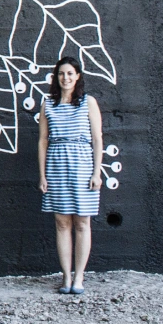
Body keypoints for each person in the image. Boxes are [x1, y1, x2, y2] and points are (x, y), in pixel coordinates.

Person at [38, 55, 103, 295]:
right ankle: (66, 277)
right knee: (62, 222)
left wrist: (97, 173)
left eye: (70, 73)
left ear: (77, 77)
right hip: (57, 165)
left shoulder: (88, 102)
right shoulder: (48, 105)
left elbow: (97, 138)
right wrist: (42, 175)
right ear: (56, 77)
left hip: (83, 166)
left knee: (82, 222)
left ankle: (79, 278)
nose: (65, 78)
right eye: (61, 74)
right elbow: (42, 141)